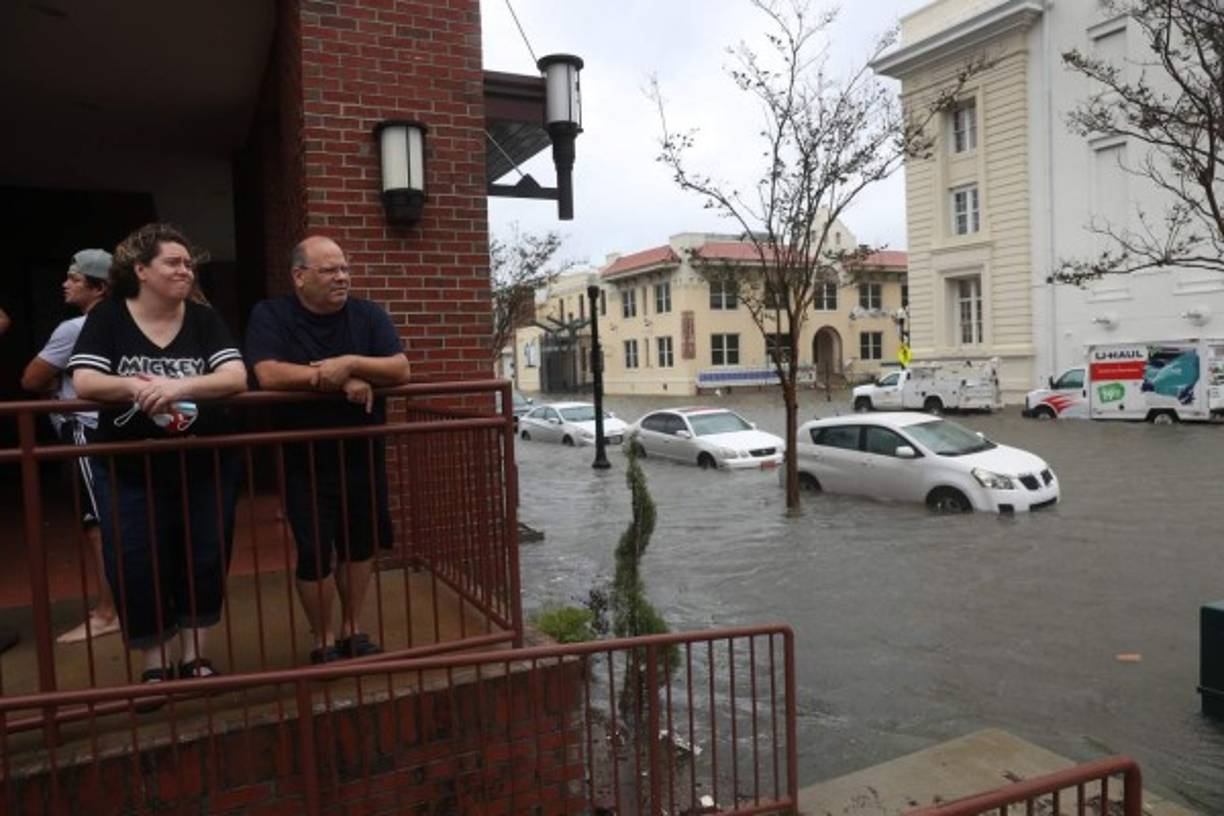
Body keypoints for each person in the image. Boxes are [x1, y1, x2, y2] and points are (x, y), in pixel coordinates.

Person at [69, 224, 246, 688]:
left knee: (205, 555)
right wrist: (134, 386)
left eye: (188, 263)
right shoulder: (109, 318)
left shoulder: (204, 319)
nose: (185, 270)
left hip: (204, 465)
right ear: (141, 270)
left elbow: (234, 376)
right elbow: (86, 380)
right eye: (173, 262)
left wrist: (178, 386)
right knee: (136, 560)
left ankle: (194, 659)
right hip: (129, 469)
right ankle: (156, 665)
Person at [245, 236, 409, 664]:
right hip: (303, 459)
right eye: (330, 270)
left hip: (361, 453)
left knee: (360, 546)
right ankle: (324, 638)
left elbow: (399, 368)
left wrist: (351, 363)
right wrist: (333, 379)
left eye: (345, 269)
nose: (342, 277)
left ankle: (352, 629)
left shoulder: (369, 315)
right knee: (314, 551)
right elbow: (268, 374)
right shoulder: (271, 315)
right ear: (299, 276)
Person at [21, 249, 120, 643]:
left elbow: (31, 379)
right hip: (115, 428)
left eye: (75, 279)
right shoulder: (129, 321)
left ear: (99, 287)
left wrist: (56, 378)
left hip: (85, 429)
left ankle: (110, 612)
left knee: (98, 524)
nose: (65, 284)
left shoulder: (75, 328)